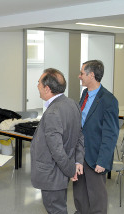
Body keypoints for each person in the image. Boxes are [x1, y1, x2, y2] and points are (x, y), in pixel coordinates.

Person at [30, 68, 84, 214]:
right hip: (61, 171)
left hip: (52, 175)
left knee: (56, 210)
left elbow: (57, 150)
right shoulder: (72, 104)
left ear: (47, 89)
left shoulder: (53, 112)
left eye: (38, 83)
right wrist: (77, 161)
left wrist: (70, 171)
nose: (37, 86)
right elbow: (79, 135)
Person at [73, 60, 119, 214]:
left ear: (91, 75)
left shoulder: (108, 100)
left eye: (81, 73)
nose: (79, 76)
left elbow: (111, 133)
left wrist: (103, 160)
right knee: (80, 194)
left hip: (96, 156)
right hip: (80, 154)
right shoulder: (85, 94)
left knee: (97, 198)